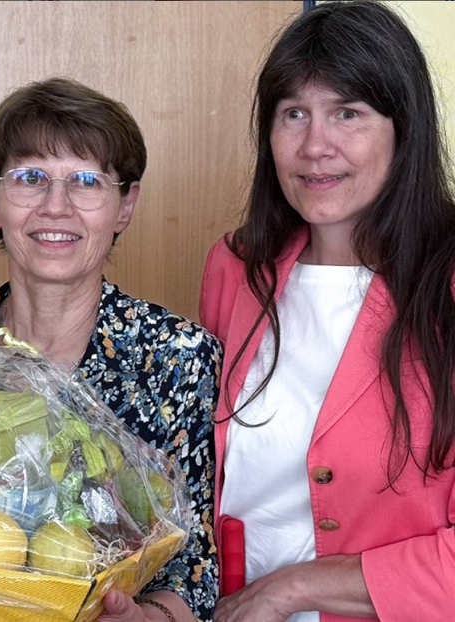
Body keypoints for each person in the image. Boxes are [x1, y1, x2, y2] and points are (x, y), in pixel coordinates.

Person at [199, 2, 455, 621]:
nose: (316, 146)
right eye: (294, 115)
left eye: (348, 113)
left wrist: (295, 588)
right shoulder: (234, 266)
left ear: (404, 128)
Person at [0, 77, 221, 622]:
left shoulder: (177, 357)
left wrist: (150, 618)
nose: (56, 206)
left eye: (87, 181)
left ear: (124, 205)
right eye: (31, 177)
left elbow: (197, 568)